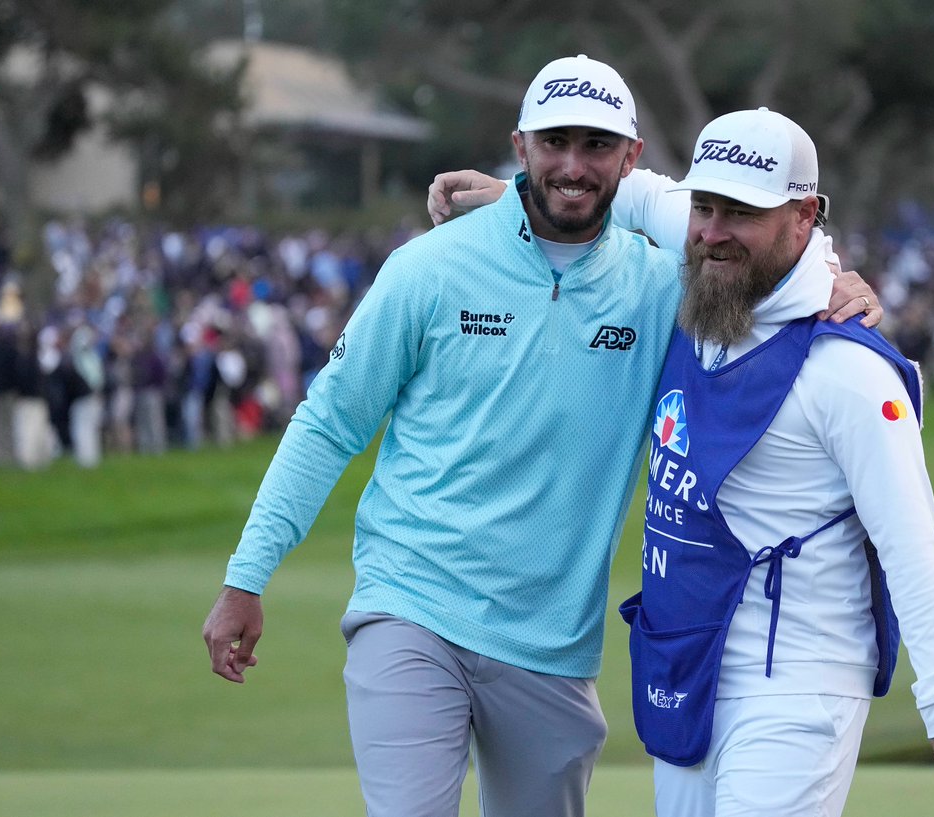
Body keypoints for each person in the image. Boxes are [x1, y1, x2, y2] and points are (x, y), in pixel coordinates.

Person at [203, 56, 879, 817]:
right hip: (412, 603)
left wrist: (829, 274)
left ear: (632, 159)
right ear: (519, 146)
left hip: (552, 646)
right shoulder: (429, 269)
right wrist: (246, 574)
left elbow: (754, 253)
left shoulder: (663, 290)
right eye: (554, 142)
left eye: (596, 146)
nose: (572, 164)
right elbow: (329, 424)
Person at [615, 108, 934, 817]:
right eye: (706, 207)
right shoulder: (711, 267)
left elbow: (908, 539)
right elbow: (636, 194)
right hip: (689, 662)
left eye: (742, 213)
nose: (713, 231)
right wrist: (504, 201)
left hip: (798, 679)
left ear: (804, 216)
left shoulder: (848, 366)